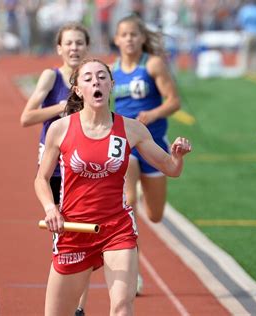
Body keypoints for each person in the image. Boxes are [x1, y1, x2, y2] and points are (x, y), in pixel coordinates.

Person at [35, 58, 191, 316]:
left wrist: (177, 156)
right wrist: (51, 208)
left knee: (122, 305)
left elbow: (170, 168)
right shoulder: (60, 129)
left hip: (115, 228)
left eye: (101, 76)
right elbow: (41, 179)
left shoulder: (131, 129)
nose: (96, 81)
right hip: (74, 230)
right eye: (88, 78)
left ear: (111, 85)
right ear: (77, 89)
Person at [111, 14, 181, 294]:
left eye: (133, 34)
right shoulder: (110, 70)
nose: (128, 39)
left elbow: (174, 101)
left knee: (154, 215)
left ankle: (140, 190)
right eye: (123, 34)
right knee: (128, 204)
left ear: (142, 38)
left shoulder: (152, 65)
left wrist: (152, 114)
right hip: (125, 143)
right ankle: (133, 274)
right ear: (116, 39)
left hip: (153, 143)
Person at [20, 21, 90, 217]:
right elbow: (26, 118)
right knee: (61, 221)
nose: (74, 48)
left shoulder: (92, 79)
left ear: (87, 47)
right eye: (68, 43)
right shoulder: (51, 76)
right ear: (59, 48)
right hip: (55, 162)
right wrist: (62, 108)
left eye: (79, 43)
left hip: (84, 161)